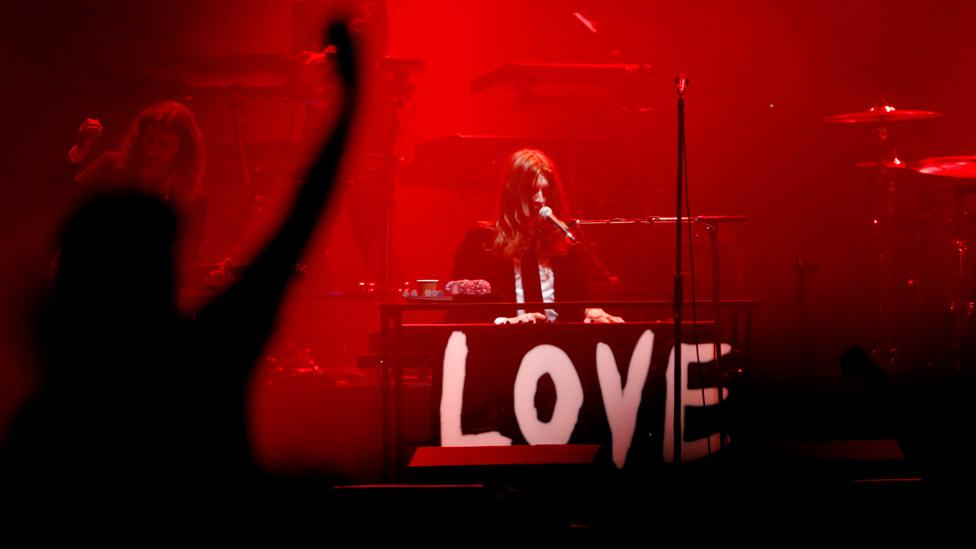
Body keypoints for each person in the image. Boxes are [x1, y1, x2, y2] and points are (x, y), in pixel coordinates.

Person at [4, 20, 359, 521]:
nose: (152, 153)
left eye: (163, 145)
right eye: (148, 142)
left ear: (180, 150)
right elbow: (53, 207)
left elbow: (191, 261)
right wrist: (350, 106)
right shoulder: (110, 173)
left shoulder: (192, 198)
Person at [451, 148, 623, 324]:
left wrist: (589, 311)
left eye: (546, 192)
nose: (540, 199)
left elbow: (576, 302)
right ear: (514, 194)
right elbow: (462, 309)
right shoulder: (481, 243)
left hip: (556, 347)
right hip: (500, 345)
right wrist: (508, 322)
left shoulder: (563, 245)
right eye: (533, 191)